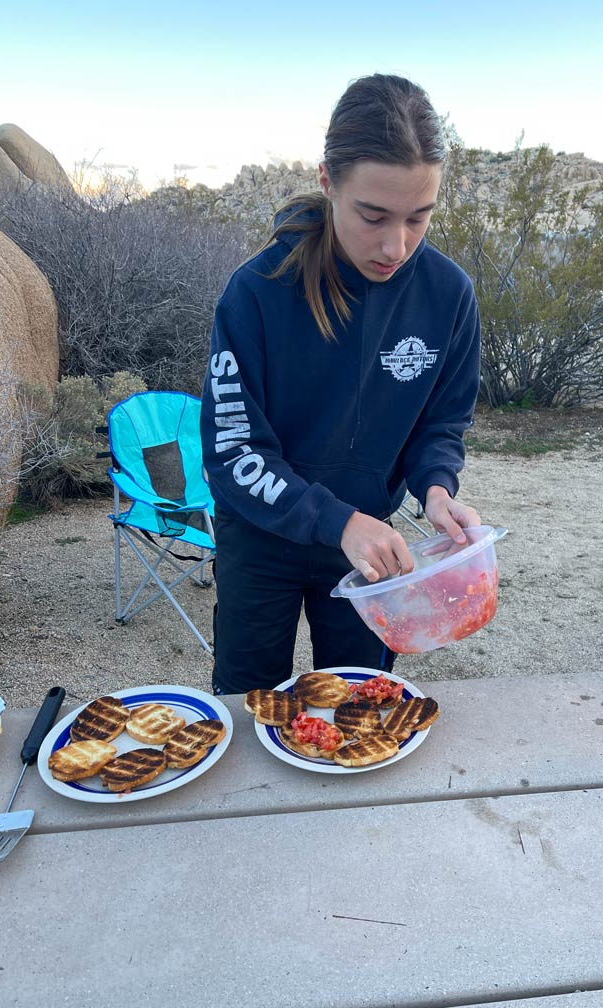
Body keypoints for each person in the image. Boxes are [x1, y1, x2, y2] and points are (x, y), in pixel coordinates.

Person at [200, 73, 483, 695]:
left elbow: (440, 423)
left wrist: (436, 489)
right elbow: (233, 453)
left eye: (419, 217)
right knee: (251, 705)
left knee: (359, 706)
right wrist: (336, 520)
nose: (395, 245)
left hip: (372, 547)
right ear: (328, 181)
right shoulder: (257, 292)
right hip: (264, 536)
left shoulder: (448, 295)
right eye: (373, 215)